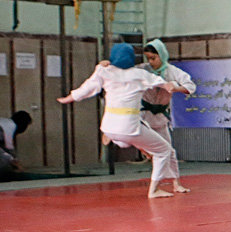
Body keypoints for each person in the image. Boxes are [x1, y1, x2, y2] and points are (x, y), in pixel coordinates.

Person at [57, 43, 191, 198]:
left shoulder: (104, 71)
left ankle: (136, 146)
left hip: (108, 126)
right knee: (164, 150)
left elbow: (87, 88)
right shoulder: (140, 75)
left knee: (130, 136)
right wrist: (175, 86)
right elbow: (165, 84)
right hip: (129, 127)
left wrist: (70, 97)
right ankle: (154, 189)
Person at [138, 39, 196, 191]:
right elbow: (123, 73)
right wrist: (106, 65)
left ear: (161, 56)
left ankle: (176, 183)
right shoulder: (143, 69)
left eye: (153, 58)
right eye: (148, 58)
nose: (150, 62)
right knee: (150, 148)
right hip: (143, 116)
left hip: (161, 117)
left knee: (169, 151)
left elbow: (191, 87)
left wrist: (175, 88)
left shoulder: (172, 71)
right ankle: (148, 157)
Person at [0, 110, 32, 179]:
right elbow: (9, 147)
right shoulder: (11, 125)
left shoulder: (6, 122)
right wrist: (16, 163)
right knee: (5, 161)